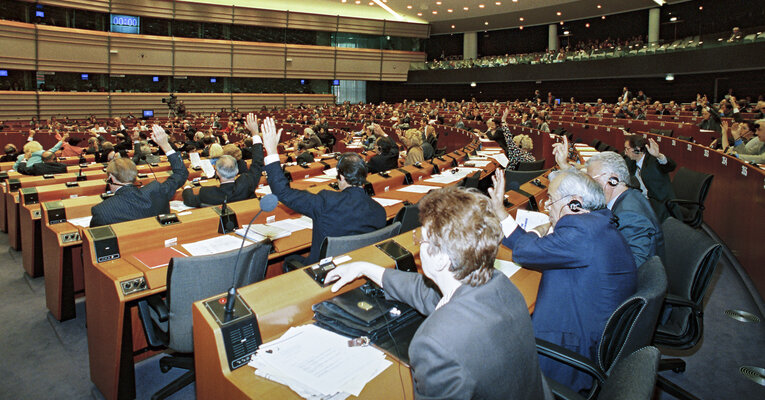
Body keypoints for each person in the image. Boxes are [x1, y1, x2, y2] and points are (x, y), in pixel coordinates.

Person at [327, 187, 552, 400]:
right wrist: (365, 268)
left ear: (441, 258)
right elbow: (424, 292)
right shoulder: (498, 283)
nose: (418, 245)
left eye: (421, 240)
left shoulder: (433, 344)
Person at [489, 168, 636, 392]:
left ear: (575, 204)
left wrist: (502, 214)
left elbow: (528, 251)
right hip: (598, 330)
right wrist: (501, 213)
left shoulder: (581, 230)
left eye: (551, 200)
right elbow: (537, 250)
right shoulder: (598, 223)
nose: (547, 207)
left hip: (573, 349)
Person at [260, 117, 387, 266]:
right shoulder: (379, 211)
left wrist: (271, 151)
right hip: (359, 268)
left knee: (289, 260)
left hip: (324, 274)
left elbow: (283, 193)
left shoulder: (326, 201)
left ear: (341, 177)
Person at [577, 147, 665, 267]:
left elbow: (636, 265)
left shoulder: (630, 214)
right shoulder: (628, 195)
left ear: (613, 179)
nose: (589, 187)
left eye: (592, 181)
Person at [90, 125, 189, 227]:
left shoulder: (102, 210)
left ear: (111, 177)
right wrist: (165, 145)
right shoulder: (156, 189)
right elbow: (181, 173)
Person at [182, 114, 264, 207]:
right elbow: (257, 162)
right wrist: (255, 134)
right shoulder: (247, 183)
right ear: (237, 170)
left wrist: (187, 186)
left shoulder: (206, 192)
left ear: (217, 172)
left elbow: (189, 200)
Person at [623, 135, 676, 221]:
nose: (625, 152)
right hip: (640, 199)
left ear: (637, 149)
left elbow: (671, 166)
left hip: (658, 204)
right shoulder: (630, 161)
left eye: (627, 149)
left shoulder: (653, 160)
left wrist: (659, 156)